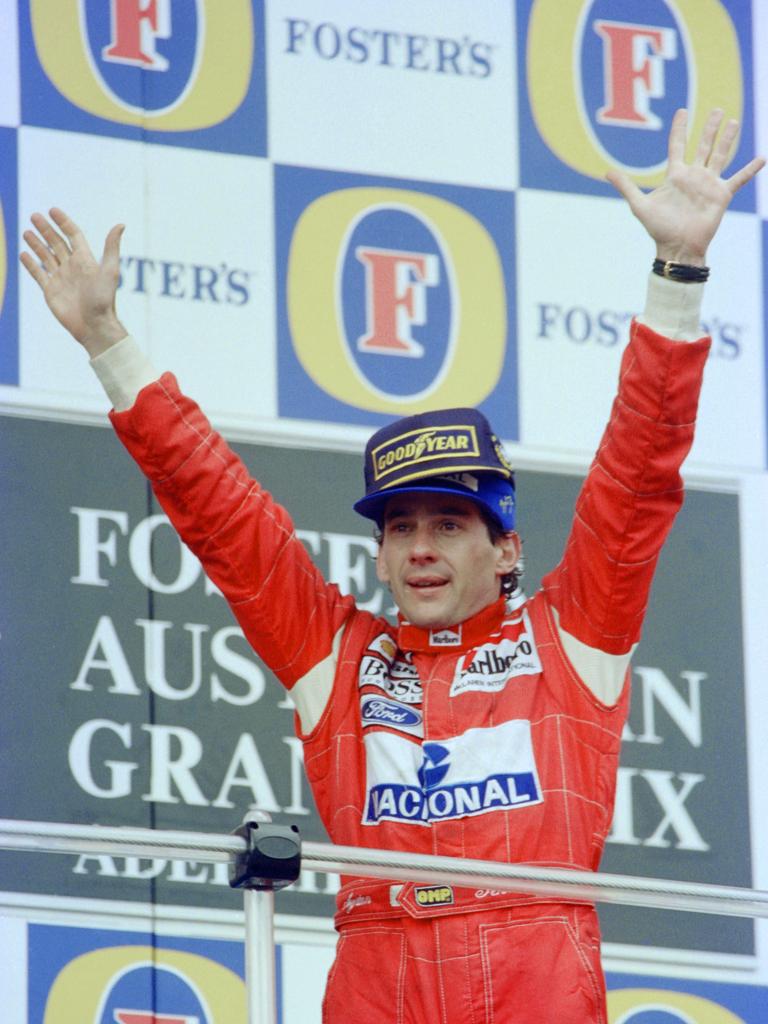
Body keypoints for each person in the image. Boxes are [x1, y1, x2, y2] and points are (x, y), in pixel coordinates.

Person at [21, 109, 763, 1024]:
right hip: (379, 977)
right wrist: (107, 343)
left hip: (537, 977)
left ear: (506, 548)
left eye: (450, 523)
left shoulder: (574, 637)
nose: (419, 546)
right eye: (400, 524)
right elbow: (221, 515)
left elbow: (638, 475)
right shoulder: (338, 656)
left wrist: (678, 275)